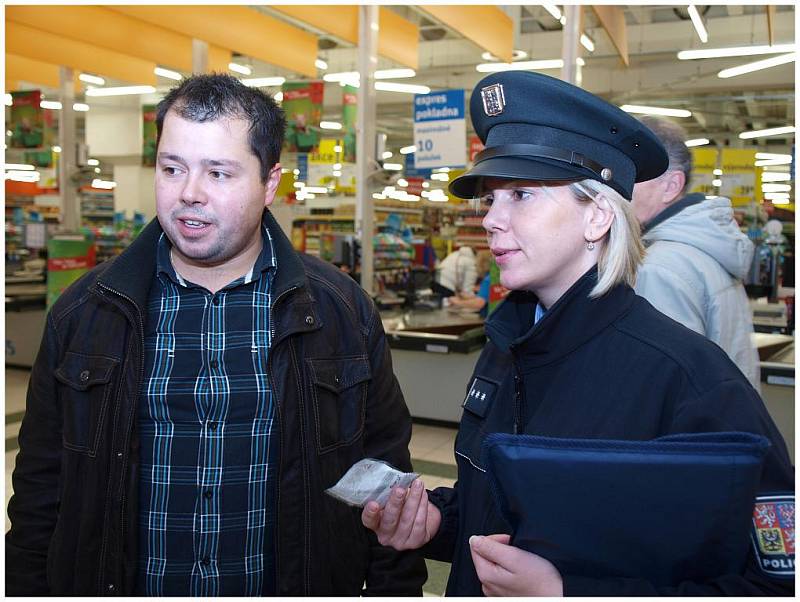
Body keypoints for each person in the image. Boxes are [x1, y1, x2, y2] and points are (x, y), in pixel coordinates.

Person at [361, 71, 794, 596]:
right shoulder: (507, 351)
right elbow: (503, 516)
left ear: (598, 218)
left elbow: (770, 584)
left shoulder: (690, 381)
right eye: (490, 199)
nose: (491, 219)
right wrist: (439, 523)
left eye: (520, 195)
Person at [6, 74, 426, 596]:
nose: (189, 194)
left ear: (270, 182)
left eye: (219, 173)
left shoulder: (339, 313)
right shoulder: (86, 313)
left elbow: (387, 486)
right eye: (171, 168)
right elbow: (40, 493)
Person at [632, 115, 760, 390]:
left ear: (671, 186)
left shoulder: (661, 267)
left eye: (631, 174)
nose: (615, 188)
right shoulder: (704, 248)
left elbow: (662, 387)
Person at [447, 249, 492, 314]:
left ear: (482, 264)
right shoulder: (493, 277)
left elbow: (479, 303)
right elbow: (486, 298)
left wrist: (457, 302)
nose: (475, 267)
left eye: (476, 264)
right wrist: (467, 297)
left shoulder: (488, 280)